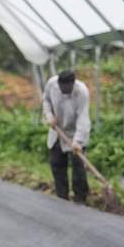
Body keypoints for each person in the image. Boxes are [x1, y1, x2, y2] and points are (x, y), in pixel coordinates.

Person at [42, 70, 91, 204]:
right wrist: (49, 116)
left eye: (67, 88)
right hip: (58, 130)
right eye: (62, 88)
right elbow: (46, 100)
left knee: (78, 165)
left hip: (77, 131)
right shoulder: (52, 84)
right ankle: (62, 197)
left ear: (73, 84)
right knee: (57, 163)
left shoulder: (82, 92)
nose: (64, 91)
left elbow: (83, 117)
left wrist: (77, 141)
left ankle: (80, 198)